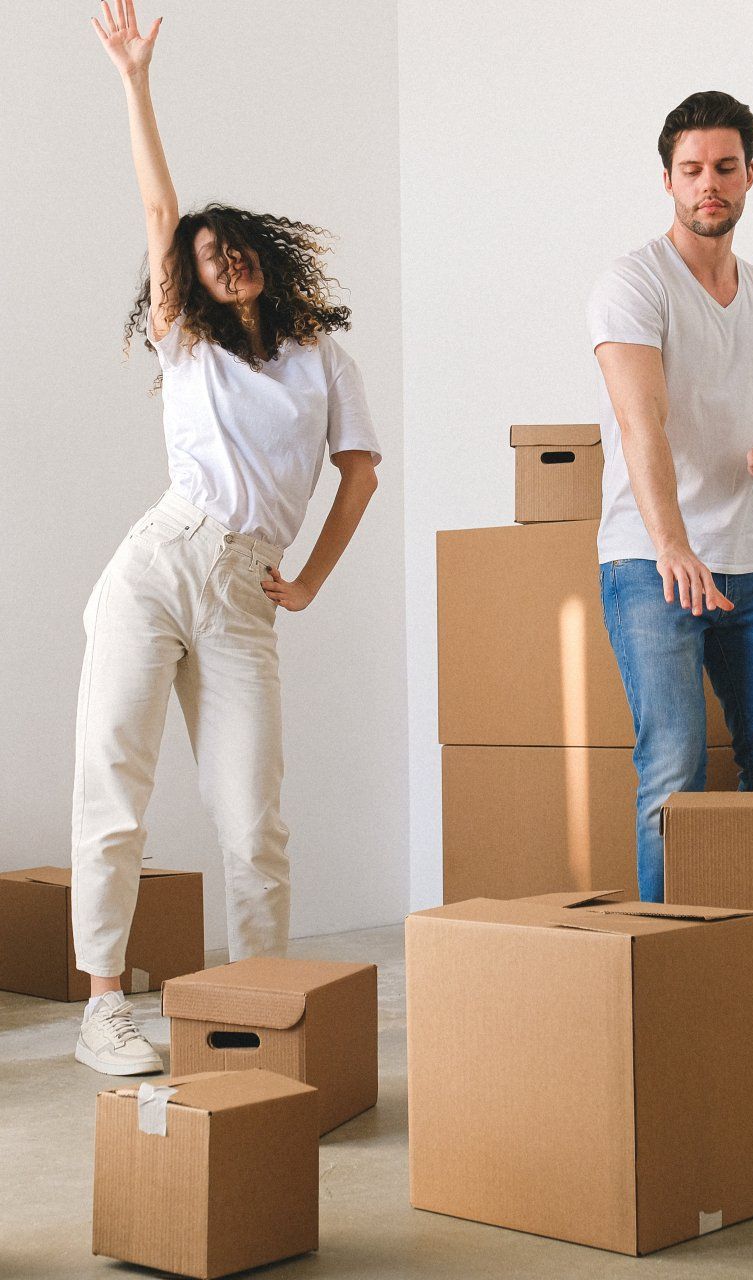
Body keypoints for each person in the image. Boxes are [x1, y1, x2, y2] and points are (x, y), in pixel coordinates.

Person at [73, 1, 382, 1074]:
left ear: (262, 257)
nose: (221, 260)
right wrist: (135, 82)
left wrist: (309, 578)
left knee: (253, 820)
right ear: (190, 279)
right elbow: (158, 206)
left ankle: (260, 1010)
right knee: (115, 784)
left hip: (248, 587)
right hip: (160, 562)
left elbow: (361, 474)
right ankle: (107, 1005)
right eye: (204, 256)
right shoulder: (186, 348)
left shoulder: (321, 361)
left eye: (233, 245)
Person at [586, 90, 753, 903]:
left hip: (751, 562)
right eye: (691, 170)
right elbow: (640, 425)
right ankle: (667, 968)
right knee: (673, 768)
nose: (706, 183)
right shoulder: (631, 283)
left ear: (748, 175)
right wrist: (672, 544)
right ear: (667, 181)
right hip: (651, 561)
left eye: (723, 167)